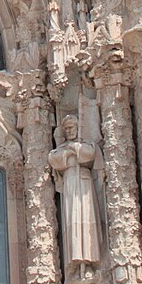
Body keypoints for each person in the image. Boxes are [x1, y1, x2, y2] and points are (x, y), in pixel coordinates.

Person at [48, 115, 102, 274]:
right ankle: (76, 261)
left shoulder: (85, 144)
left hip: (84, 182)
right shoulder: (63, 147)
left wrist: (75, 149)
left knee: (86, 220)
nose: (69, 130)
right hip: (70, 183)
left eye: (72, 127)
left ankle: (89, 260)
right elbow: (54, 159)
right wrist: (69, 151)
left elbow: (90, 154)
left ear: (79, 127)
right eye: (67, 128)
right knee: (73, 220)